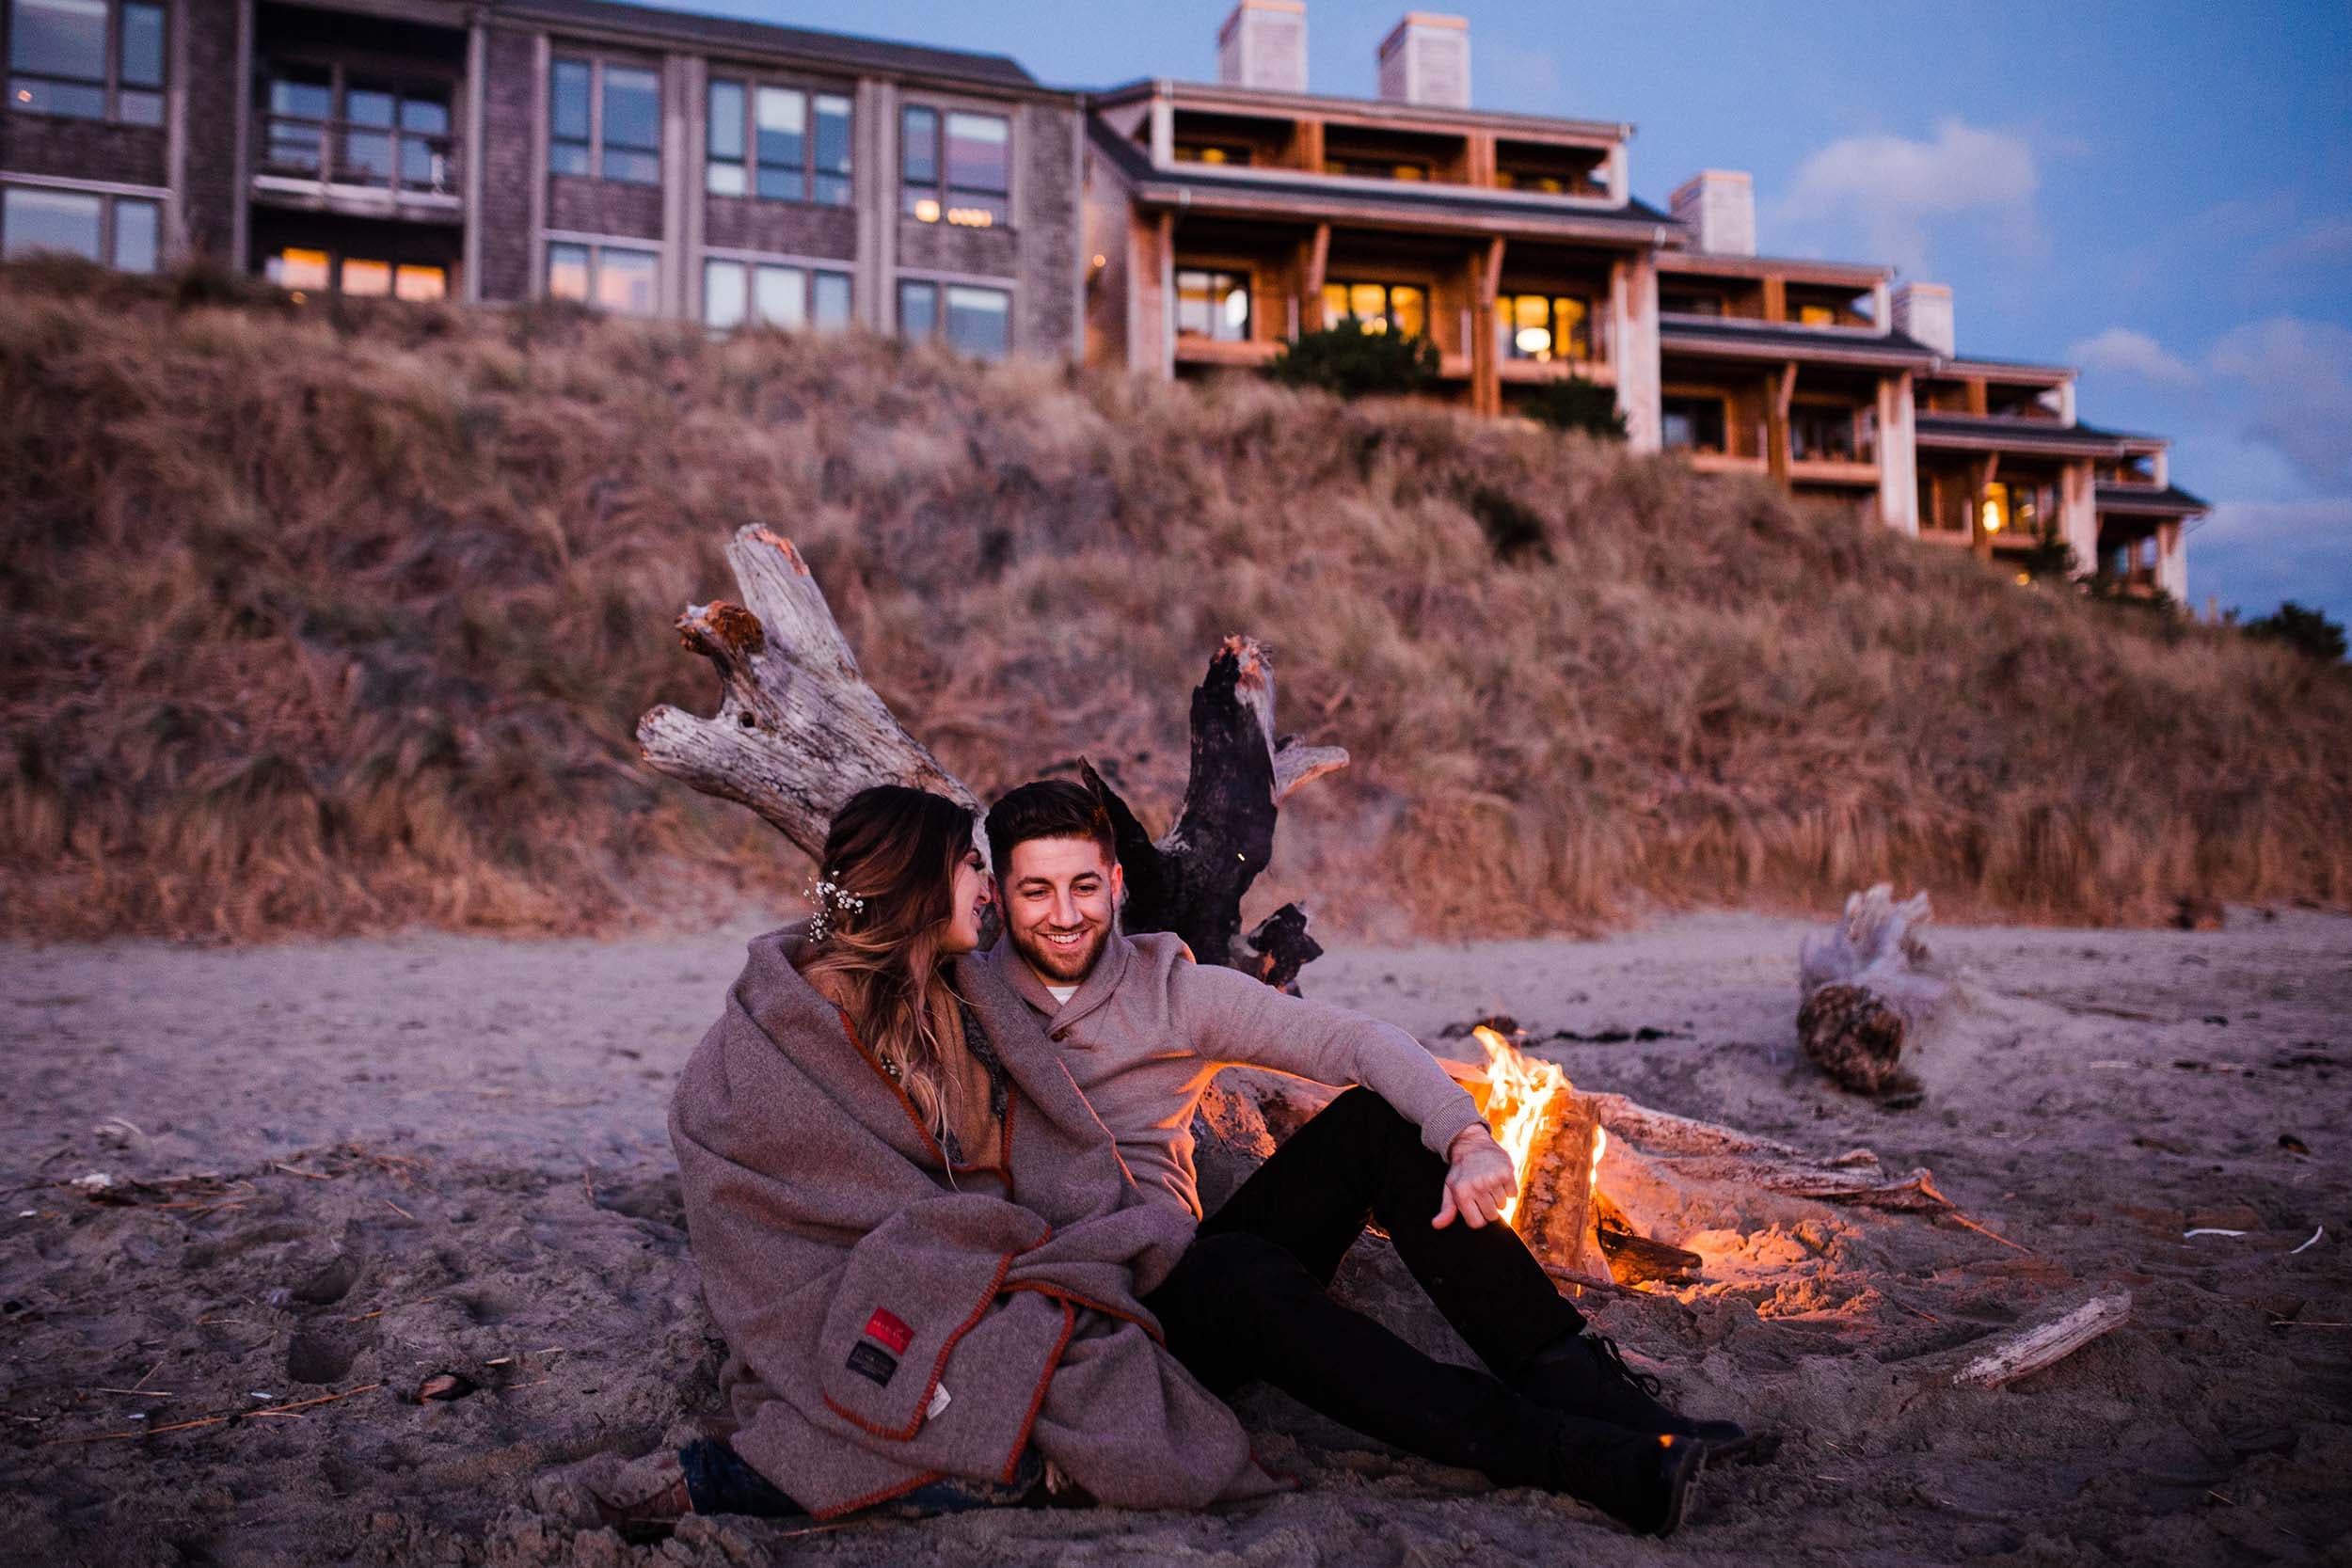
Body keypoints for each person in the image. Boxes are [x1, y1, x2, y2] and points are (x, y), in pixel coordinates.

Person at [978, 778, 1762, 1535]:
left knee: (1372, 1127)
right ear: (999, 895)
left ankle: (1592, 1390)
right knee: (1239, 1271)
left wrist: (1467, 1136)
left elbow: (1355, 1039)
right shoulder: (963, 1007)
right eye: (1037, 891)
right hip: (1104, 1319)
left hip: (1176, 1269)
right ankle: (1563, 1452)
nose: (1065, 914)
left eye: (1084, 885)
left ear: (1117, 883)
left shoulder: (1171, 990)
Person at [536, 785, 1282, 1534]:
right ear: (920, 881)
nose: (987, 887)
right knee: (1005, 1392)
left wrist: (999, 1229)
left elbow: (1012, 1151)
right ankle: (729, 1479)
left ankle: (973, 1462)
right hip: (841, 1288)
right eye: (968, 864)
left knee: (1047, 1367)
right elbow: (785, 1204)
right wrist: (968, 1237)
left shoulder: (956, 998)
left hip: (953, 1271)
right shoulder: (779, 1028)